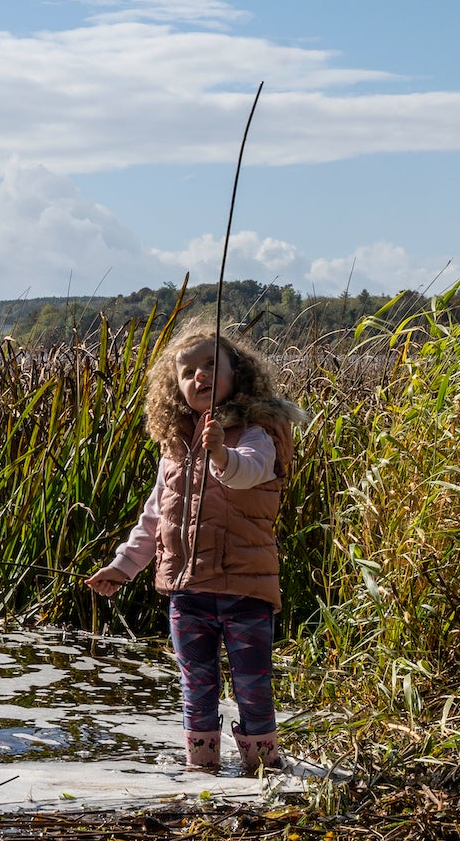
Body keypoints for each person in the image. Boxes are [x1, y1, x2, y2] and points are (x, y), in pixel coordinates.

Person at [83, 326, 306, 774]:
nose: (198, 376)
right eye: (187, 371)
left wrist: (221, 454)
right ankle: (200, 769)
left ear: (236, 374)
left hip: (245, 589)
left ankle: (263, 769)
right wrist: (122, 567)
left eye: (210, 366)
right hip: (187, 592)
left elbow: (251, 471)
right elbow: (156, 518)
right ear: (175, 385)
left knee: (253, 683)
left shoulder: (258, 430)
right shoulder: (175, 446)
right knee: (196, 683)